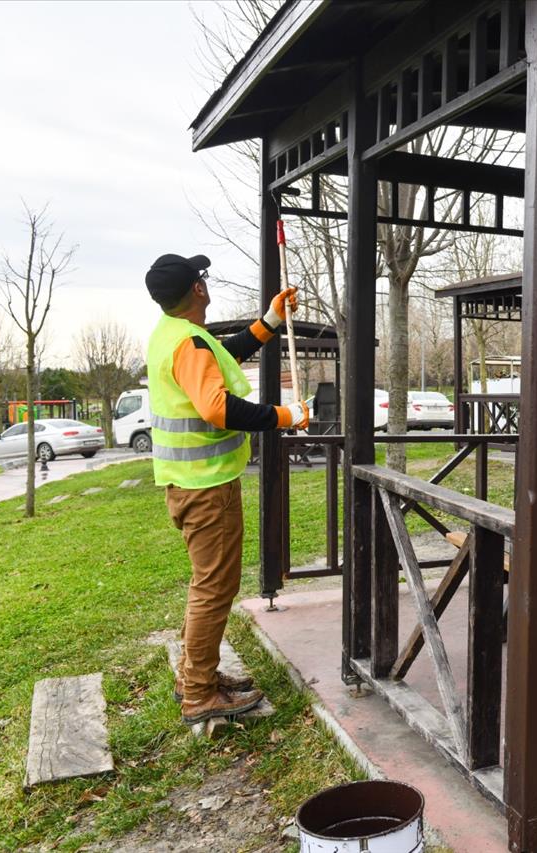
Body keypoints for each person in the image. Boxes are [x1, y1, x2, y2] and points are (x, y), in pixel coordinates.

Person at [144, 253, 309, 725]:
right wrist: (286, 417)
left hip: (192, 485)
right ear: (197, 290)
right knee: (214, 589)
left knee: (210, 585)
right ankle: (198, 693)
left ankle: (197, 676)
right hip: (206, 489)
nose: (205, 283)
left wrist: (270, 321)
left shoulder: (175, 336)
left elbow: (226, 355)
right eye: (202, 278)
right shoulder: (189, 343)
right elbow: (217, 408)